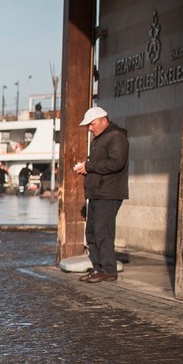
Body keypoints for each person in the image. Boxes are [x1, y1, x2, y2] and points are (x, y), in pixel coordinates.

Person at [74, 106, 129, 283]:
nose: (90, 128)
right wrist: (87, 168)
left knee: (103, 232)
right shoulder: (99, 139)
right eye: (89, 125)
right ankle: (98, 268)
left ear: (104, 120)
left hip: (109, 192)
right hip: (98, 192)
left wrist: (89, 167)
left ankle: (108, 270)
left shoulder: (116, 137)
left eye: (93, 124)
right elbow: (102, 163)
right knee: (91, 232)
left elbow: (116, 163)